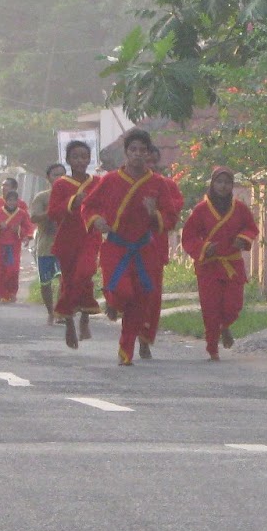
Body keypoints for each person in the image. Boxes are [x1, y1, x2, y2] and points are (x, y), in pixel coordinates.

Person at [80, 129, 184, 365]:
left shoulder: (158, 183)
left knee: (142, 298)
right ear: (126, 153)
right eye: (133, 150)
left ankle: (126, 350)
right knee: (122, 292)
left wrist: (153, 213)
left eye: (142, 151)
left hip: (144, 248)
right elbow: (88, 206)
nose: (137, 155)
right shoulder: (110, 180)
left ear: (148, 154)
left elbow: (170, 216)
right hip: (116, 247)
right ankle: (113, 303)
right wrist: (96, 220)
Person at [181, 165, 259, 360]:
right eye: (219, 182)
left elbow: (251, 228)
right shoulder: (200, 210)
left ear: (232, 185)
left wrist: (243, 238)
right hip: (209, 266)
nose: (223, 186)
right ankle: (212, 348)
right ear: (212, 184)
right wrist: (204, 247)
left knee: (233, 306)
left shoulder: (239, 208)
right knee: (210, 308)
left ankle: (225, 326)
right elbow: (189, 237)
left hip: (232, 265)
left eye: (227, 183)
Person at [49, 140, 102, 349]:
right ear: (68, 159)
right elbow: (53, 213)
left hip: (90, 236)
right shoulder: (61, 184)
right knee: (69, 281)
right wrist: (73, 202)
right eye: (76, 157)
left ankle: (85, 317)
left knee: (85, 272)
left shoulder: (97, 182)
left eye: (84, 156)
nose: (80, 160)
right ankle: (69, 321)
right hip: (67, 240)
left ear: (90, 159)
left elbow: (105, 206)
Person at [134, 145, 184, 359]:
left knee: (152, 297)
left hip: (155, 248)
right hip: (128, 248)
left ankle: (145, 338)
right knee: (129, 293)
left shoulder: (166, 186)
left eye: (154, 161)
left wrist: (155, 212)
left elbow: (173, 212)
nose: (150, 166)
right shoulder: (125, 183)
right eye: (146, 161)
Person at [31, 162, 66, 324]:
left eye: (62, 174)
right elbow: (34, 217)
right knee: (45, 282)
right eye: (55, 175)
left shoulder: (71, 195)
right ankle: (50, 311)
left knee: (63, 279)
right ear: (48, 178)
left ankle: (59, 311)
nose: (59, 178)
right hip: (45, 246)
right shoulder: (42, 197)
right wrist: (50, 212)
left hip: (65, 245)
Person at [0, 184, 34, 303]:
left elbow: (28, 228)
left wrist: (19, 231)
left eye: (14, 200)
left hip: (14, 246)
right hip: (0, 245)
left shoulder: (21, 213)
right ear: (5, 201)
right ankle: (2, 293)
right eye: (9, 200)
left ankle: (12, 291)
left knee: (13, 270)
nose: (12, 202)